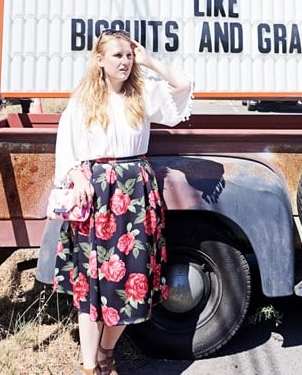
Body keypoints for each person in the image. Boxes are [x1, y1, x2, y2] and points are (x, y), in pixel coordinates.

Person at [52, 28, 193, 375]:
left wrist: (149, 61)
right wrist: (78, 175)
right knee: (90, 288)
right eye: (118, 55)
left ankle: (105, 352)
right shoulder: (83, 100)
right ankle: (89, 368)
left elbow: (183, 85)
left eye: (129, 55)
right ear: (99, 60)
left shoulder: (142, 94)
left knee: (132, 284)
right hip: (95, 197)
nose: (125, 62)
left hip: (135, 197)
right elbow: (66, 147)